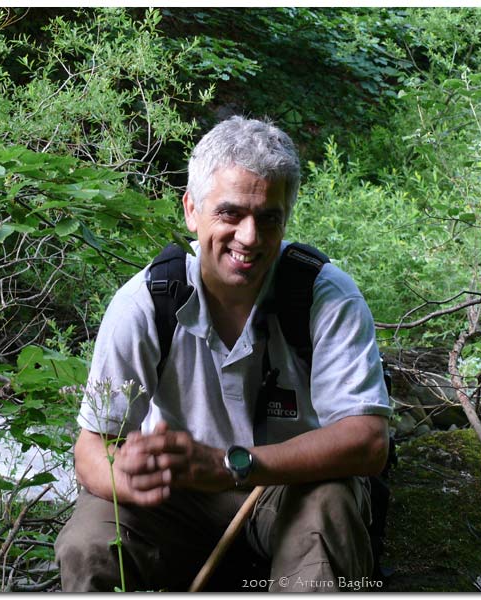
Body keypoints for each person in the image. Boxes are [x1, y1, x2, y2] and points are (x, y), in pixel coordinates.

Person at [54, 116, 392, 592]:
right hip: (179, 498)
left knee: (328, 507)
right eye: (231, 214)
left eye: (268, 218)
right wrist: (129, 481)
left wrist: (231, 464)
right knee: (88, 543)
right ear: (192, 210)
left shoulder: (325, 297)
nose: (249, 237)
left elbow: (369, 442)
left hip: (290, 488)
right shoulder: (145, 304)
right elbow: (92, 447)